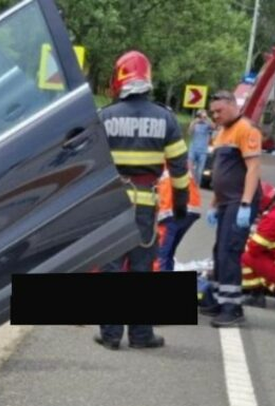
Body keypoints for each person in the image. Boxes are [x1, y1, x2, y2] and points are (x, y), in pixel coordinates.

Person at [93, 50, 190, 350]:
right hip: (145, 206)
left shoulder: (104, 116)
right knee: (141, 269)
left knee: (110, 267)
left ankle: (111, 335)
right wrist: (181, 203)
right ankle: (140, 335)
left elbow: (92, 163)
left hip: (111, 203)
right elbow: (179, 167)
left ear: (119, 79)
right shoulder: (165, 118)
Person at [202, 89, 262, 328]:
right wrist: (214, 204)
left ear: (233, 105)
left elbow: (253, 168)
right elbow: (220, 173)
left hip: (239, 201)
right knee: (220, 250)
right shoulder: (222, 133)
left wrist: (246, 203)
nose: (216, 115)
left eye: (219, 110)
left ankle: (232, 307)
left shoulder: (246, 129)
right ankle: (219, 299)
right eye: (213, 112)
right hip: (226, 201)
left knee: (230, 251)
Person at [155, 166, 202, 272]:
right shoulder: (179, 159)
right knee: (168, 253)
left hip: (169, 210)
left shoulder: (157, 161)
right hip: (190, 208)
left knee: (159, 255)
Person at [188, 110, 213, 182]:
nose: (201, 118)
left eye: (203, 116)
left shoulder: (207, 124)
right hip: (193, 150)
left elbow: (214, 127)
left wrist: (206, 118)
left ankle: (196, 185)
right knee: (190, 170)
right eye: (200, 116)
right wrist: (194, 122)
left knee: (199, 172)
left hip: (203, 151)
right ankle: (190, 185)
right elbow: (190, 132)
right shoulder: (194, 123)